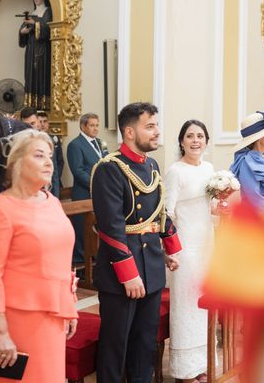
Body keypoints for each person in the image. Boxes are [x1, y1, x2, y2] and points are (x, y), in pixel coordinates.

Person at [0, 129, 78, 382]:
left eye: (50, 156)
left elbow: (61, 259)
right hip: (17, 319)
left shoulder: (51, 201)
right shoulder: (0, 210)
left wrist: (70, 306)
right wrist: (0, 333)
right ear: (17, 163)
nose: (49, 162)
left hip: (53, 314)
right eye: (39, 155)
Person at [91, 102, 182, 383]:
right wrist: (128, 274)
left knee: (145, 344)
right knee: (116, 346)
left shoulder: (151, 165)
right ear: (130, 132)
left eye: (156, 125)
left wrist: (170, 248)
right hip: (122, 273)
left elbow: (159, 212)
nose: (157, 132)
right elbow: (111, 227)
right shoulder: (109, 168)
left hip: (151, 266)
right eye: (150, 126)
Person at [165, 120, 220, 383]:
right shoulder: (175, 171)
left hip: (207, 242)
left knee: (204, 305)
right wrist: (172, 249)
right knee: (186, 304)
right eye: (190, 136)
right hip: (185, 247)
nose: (195, 140)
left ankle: (203, 363)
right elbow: (168, 212)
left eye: (200, 136)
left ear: (207, 141)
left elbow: (211, 207)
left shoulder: (210, 169)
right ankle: (185, 371)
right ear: (181, 142)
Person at [67, 112, 107, 268]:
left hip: (101, 192)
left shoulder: (100, 143)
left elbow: (107, 162)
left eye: (97, 125)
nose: (95, 128)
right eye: (92, 125)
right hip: (84, 193)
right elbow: (78, 171)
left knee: (96, 229)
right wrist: (95, 182)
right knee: (83, 229)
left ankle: (95, 260)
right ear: (83, 126)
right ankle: (81, 263)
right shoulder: (75, 145)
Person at [19, 0, 52, 110]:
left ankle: (43, 104)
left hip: (42, 48)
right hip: (31, 48)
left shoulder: (48, 12)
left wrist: (35, 23)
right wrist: (22, 32)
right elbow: (23, 28)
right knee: (30, 73)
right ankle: (30, 104)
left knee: (41, 71)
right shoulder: (33, 12)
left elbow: (47, 30)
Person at [36, 111, 63, 198]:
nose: (43, 124)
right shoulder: (32, 140)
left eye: (45, 121)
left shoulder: (55, 139)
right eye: (40, 121)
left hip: (53, 180)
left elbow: (60, 161)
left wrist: (53, 177)